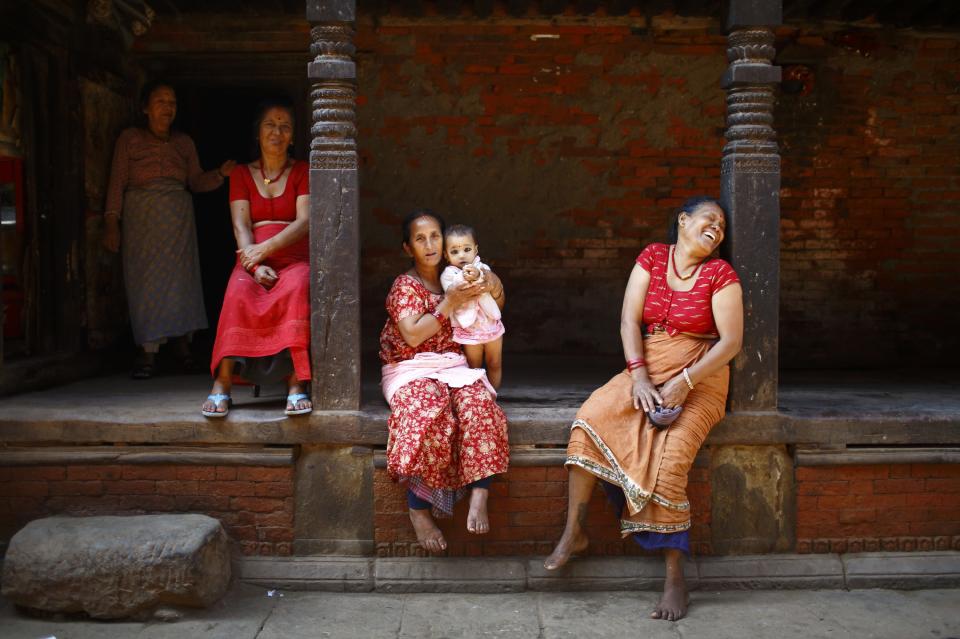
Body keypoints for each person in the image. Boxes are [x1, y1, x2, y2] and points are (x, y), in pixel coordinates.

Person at [544, 196, 743, 622]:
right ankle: (573, 533)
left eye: (723, 225)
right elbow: (629, 321)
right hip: (649, 364)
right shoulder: (653, 257)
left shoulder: (720, 274)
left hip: (702, 377)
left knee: (671, 463)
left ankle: (674, 577)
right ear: (683, 220)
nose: (717, 227)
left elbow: (730, 343)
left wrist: (684, 383)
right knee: (590, 419)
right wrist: (637, 376)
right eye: (710, 218)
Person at [380, 210, 509, 552]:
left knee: (480, 404)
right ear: (408, 248)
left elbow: (495, 299)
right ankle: (418, 509)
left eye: (435, 236)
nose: (430, 245)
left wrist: (491, 281)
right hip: (410, 367)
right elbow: (412, 336)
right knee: (430, 413)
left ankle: (481, 491)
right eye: (420, 239)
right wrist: (450, 302)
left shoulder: (457, 275)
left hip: (453, 366)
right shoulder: (405, 286)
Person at [103, 81, 235, 378]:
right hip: (142, 220)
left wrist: (220, 174)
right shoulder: (130, 139)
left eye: (172, 102)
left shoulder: (183, 143)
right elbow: (116, 181)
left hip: (177, 221)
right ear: (145, 107)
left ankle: (183, 349)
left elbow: (196, 181)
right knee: (145, 283)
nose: (168, 107)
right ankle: (147, 354)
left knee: (181, 283)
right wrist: (111, 222)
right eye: (161, 101)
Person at [201, 101, 311, 418]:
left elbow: (304, 221)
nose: (277, 132)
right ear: (258, 133)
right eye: (270, 125)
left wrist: (266, 251)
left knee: (298, 287)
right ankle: (222, 384)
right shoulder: (240, 174)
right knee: (237, 292)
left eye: (285, 126)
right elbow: (240, 225)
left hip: (293, 257)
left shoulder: (302, 171)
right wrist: (252, 263)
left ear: (292, 136)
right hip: (251, 258)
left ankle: (295, 384)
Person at [440, 224, 505, 388]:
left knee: (494, 363)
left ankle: (493, 396)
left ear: (476, 250)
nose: (462, 255)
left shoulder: (482, 267)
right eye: (454, 251)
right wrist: (465, 276)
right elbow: (452, 290)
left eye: (467, 249)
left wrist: (478, 275)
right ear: (446, 255)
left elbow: (486, 278)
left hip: (490, 324)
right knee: (474, 366)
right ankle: (478, 396)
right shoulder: (448, 274)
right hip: (469, 329)